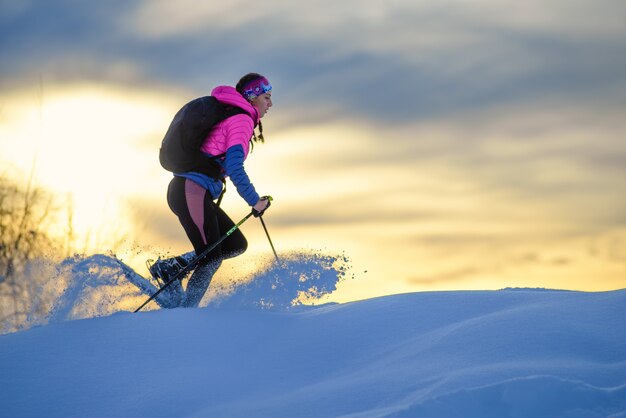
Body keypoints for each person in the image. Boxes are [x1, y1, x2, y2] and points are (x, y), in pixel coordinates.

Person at [150, 73, 273, 308]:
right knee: (211, 257)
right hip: (190, 191)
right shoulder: (242, 120)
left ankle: (170, 268)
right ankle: (187, 312)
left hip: (194, 192)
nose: (270, 104)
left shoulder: (236, 116)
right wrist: (255, 201)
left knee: (234, 244)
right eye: (266, 97)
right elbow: (235, 167)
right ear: (253, 97)